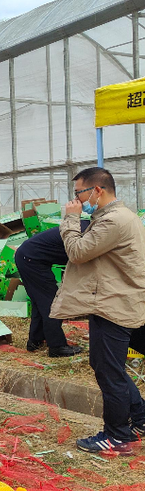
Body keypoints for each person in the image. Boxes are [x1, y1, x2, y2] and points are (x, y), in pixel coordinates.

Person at [50, 167, 145, 455]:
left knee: (109, 372)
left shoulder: (113, 220)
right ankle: (140, 419)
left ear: (97, 191)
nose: (76, 200)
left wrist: (70, 218)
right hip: (116, 300)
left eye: (78, 193)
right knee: (107, 367)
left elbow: (77, 251)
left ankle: (117, 436)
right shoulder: (115, 217)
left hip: (113, 305)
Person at [14, 223, 88, 357]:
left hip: (27, 256)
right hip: (32, 260)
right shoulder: (89, 233)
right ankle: (57, 346)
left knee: (40, 301)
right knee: (51, 303)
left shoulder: (84, 225)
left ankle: (35, 341)